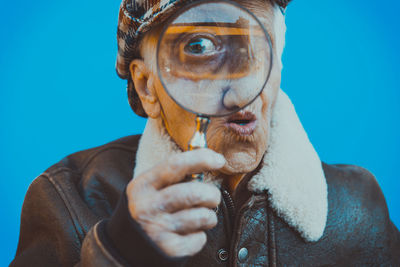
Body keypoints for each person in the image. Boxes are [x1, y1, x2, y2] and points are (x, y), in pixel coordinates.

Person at [10, 0, 400, 266]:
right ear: (148, 87)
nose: (242, 88)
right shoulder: (69, 200)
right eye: (199, 47)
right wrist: (116, 251)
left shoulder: (357, 208)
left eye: (256, 43)